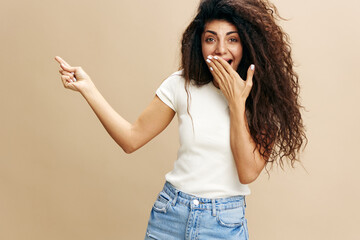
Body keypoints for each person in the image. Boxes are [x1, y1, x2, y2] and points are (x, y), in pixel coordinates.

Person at [55, 0, 306, 239]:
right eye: (211, 39)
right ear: (199, 43)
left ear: (248, 44)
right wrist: (88, 89)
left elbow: (247, 172)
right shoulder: (182, 85)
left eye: (232, 39)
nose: (221, 49)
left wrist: (237, 103)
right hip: (170, 216)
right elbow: (131, 139)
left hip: (223, 225)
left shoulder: (263, 99)